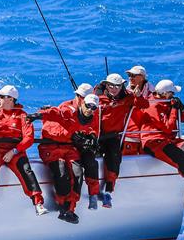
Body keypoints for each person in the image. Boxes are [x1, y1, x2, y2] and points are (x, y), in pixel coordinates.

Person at [33, 94, 101, 224]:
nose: (90, 109)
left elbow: (92, 130)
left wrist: (91, 138)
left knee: (78, 174)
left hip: (70, 149)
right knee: (61, 172)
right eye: (88, 106)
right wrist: (38, 114)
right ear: (82, 103)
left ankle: (70, 208)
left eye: (93, 108)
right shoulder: (69, 111)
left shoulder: (92, 118)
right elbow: (55, 113)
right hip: (52, 148)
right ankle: (63, 206)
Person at [0, 86, 47, 215]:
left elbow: (29, 138)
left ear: (10, 99)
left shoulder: (22, 115)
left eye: (1, 96)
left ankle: (38, 203)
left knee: (27, 171)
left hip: (16, 152)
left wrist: (14, 151)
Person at [94, 73, 148, 207]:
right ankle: (91, 191)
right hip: (96, 135)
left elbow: (144, 105)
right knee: (90, 158)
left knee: (114, 157)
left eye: (117, 86)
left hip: (113, 136)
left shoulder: (128, 98)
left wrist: (138, 95)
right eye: (110, 85)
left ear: (122, 86)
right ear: (106, 85)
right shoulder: (97, 98)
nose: (113, 88)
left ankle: (108, 191)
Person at [58, 83, 102, 209]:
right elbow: (57, 126)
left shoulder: (93, 110)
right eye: (78, 95)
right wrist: (72, 136)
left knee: (92, 163)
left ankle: (93, 195)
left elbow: (95, 129)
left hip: (83, 147)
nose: (79, 98)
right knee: (74, 173)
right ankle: (68, 204)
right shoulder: (65, 106)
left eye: (82, 96)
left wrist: (91, 138)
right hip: (68, 146)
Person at [122, 65, 155, 156]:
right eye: (129, 75)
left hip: (147, 132)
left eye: (133, 75)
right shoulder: (125, 92)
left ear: (142, 77)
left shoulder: (153, 93)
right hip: (130, 132)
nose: (130, 78)